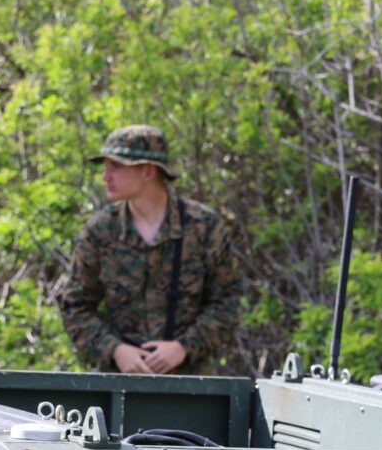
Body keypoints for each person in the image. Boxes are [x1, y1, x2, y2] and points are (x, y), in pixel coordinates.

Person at [58, 124, 245, 373]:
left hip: (191, 383)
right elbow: (74, 306)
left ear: (148, 171)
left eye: (116, 167)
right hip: (118, 382)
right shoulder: (101, 232)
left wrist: (184, 347)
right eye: (106, 167)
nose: (105, 177)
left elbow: (229, 302)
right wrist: (115, 350)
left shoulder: (203, 227)